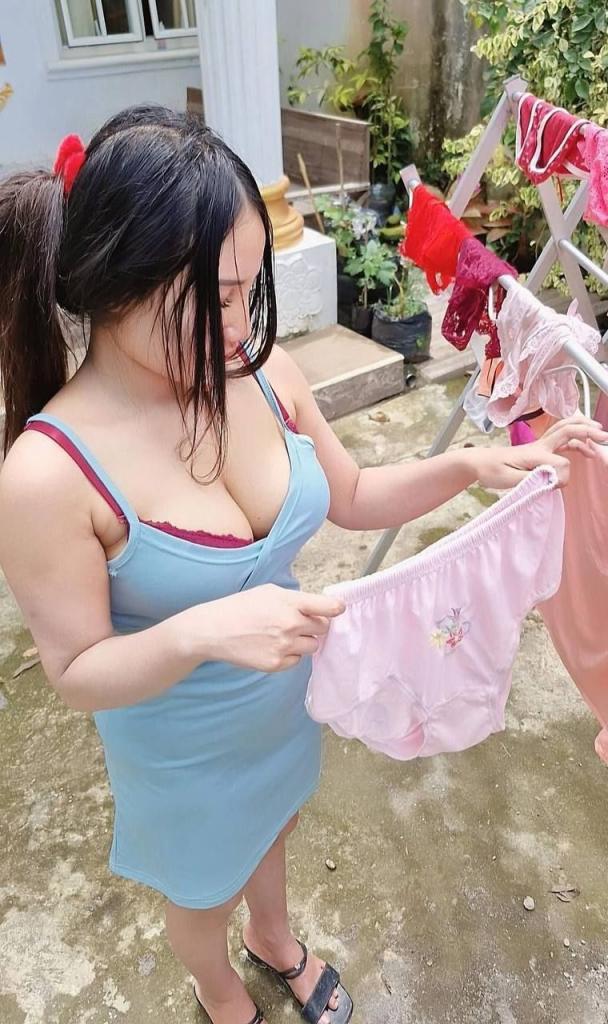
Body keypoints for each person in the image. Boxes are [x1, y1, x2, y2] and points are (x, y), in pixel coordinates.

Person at [0, 106, 604, 1024]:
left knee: (277, 822)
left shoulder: (260, 369)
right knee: (201, 889)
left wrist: (474, 465)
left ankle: (274, 935)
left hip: (286, 699)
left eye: (250, 289)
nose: (238, 323)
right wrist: (204, 631)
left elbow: (351, 492)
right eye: (215, 296)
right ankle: (217, 986)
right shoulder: (47, 474)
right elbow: (76, 668)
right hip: (182, 746)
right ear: (115, 280)